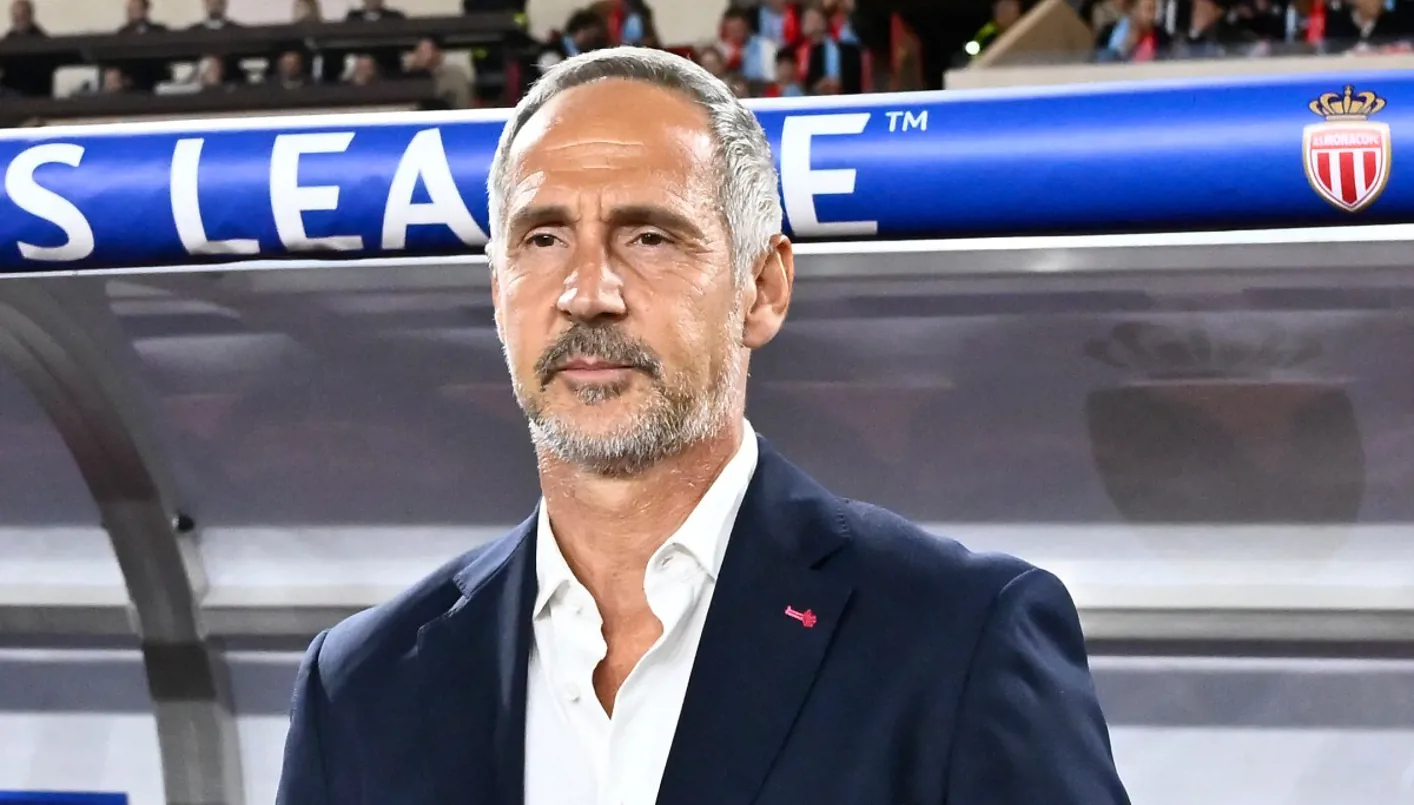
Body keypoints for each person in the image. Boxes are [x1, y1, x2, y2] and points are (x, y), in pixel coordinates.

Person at [274, 47, 1131, 805]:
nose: (587, 292)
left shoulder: (956, 639)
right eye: (543, 239)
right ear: (498, 291)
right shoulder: (361, 684)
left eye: (649, 236)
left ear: (763, 289)